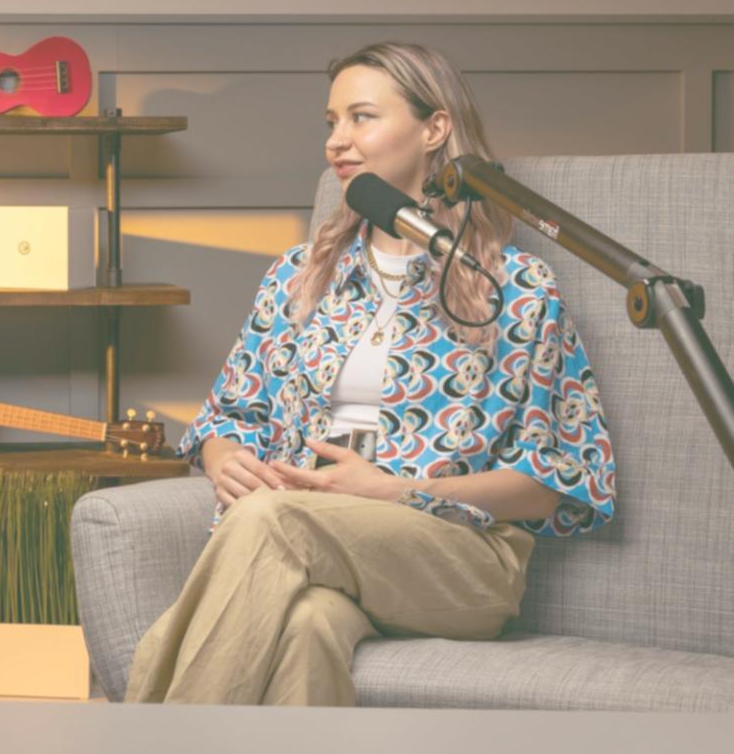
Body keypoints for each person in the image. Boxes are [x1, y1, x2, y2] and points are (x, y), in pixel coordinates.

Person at [126, 41, 615, 706]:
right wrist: (221, 458)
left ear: (434, 128)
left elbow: (554, 481)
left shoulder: (515, 288)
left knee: (271, 520)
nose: (337, 140)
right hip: (316, 540)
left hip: (458, 556)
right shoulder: (299, 276)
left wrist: (390, 490)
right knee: (306, 626)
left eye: (361, 117)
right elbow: (229, 415)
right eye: (330, 121)